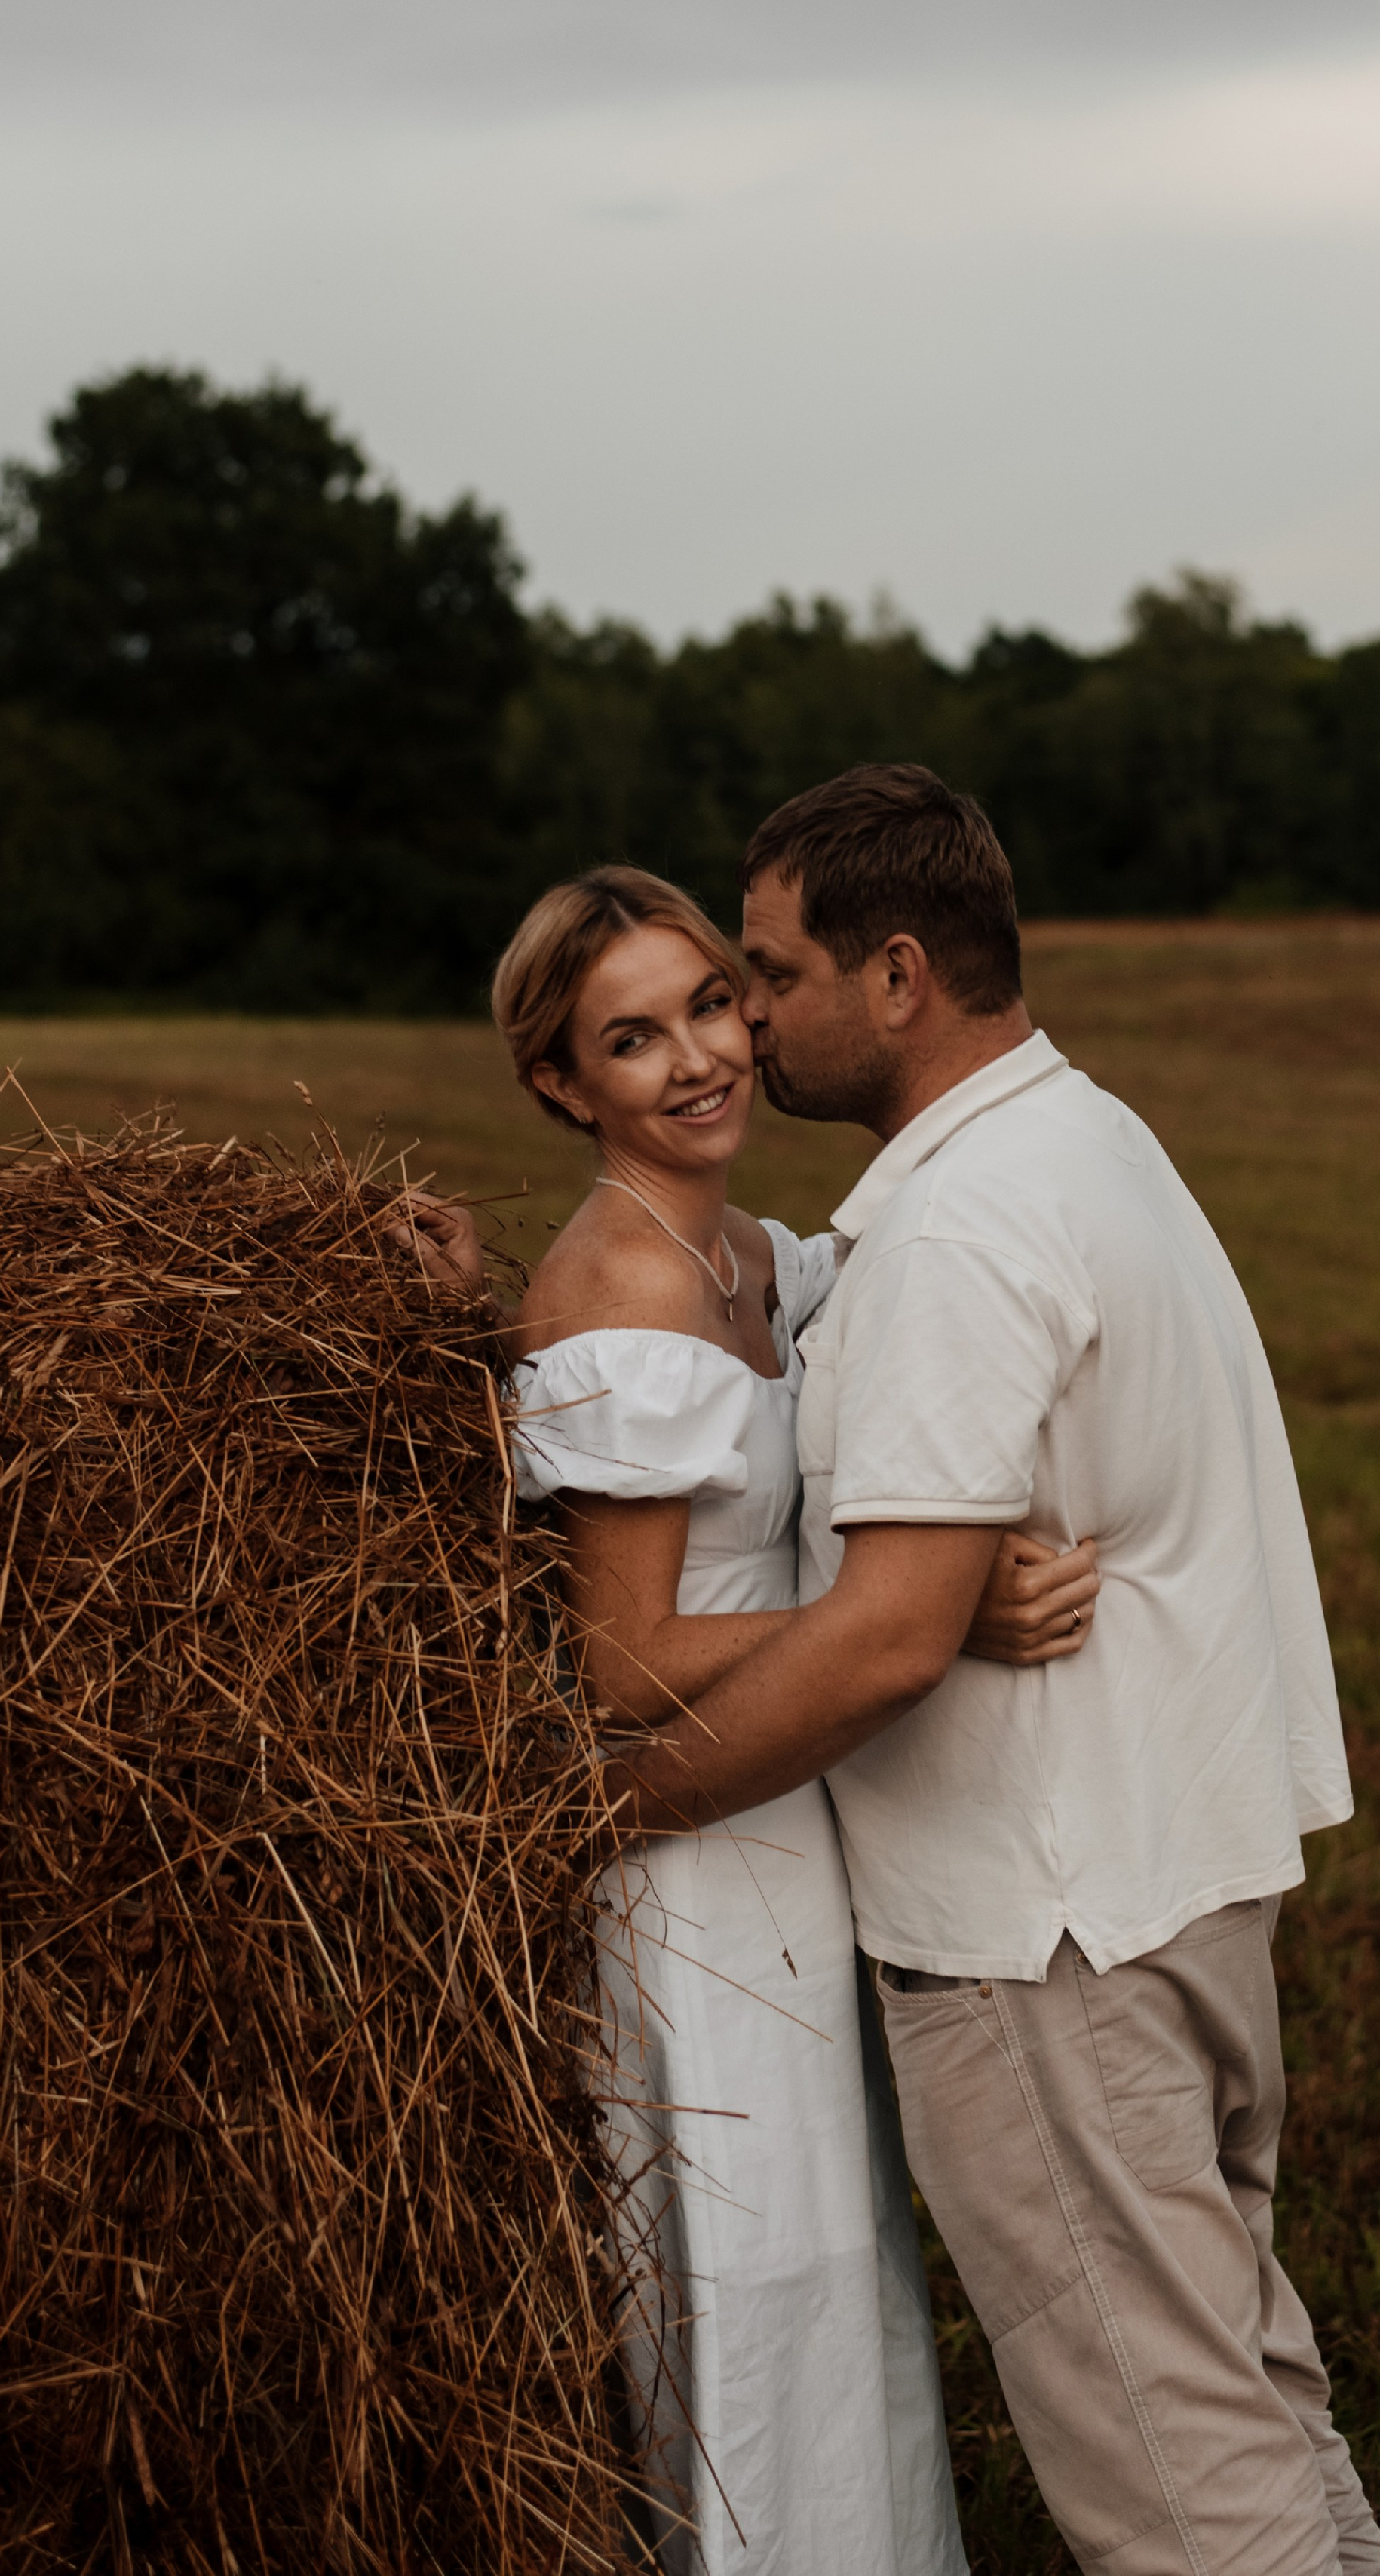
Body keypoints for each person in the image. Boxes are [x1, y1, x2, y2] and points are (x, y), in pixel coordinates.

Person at [602, 768, 1380, 2576]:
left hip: (1046, 1941)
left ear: (896, 978)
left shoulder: (956, 1230)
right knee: (1246, 2399)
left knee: (1178, 2491)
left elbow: (890, 1633)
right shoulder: (1082, 1137)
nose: (747, 1016)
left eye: (770, 973)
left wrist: (597, 1802)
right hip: (1175, 1875)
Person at [397, 865, 1099, 2576]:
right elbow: (622, 1660)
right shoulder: (628, 1291)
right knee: (744, 2282)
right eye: (631, 1039)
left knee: (828, 2274)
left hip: (784, 1826)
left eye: (712, 1002)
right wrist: (899, 1616)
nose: (699, 1056)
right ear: (565, 1087)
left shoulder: (741, 1259)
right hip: (691, 1872)